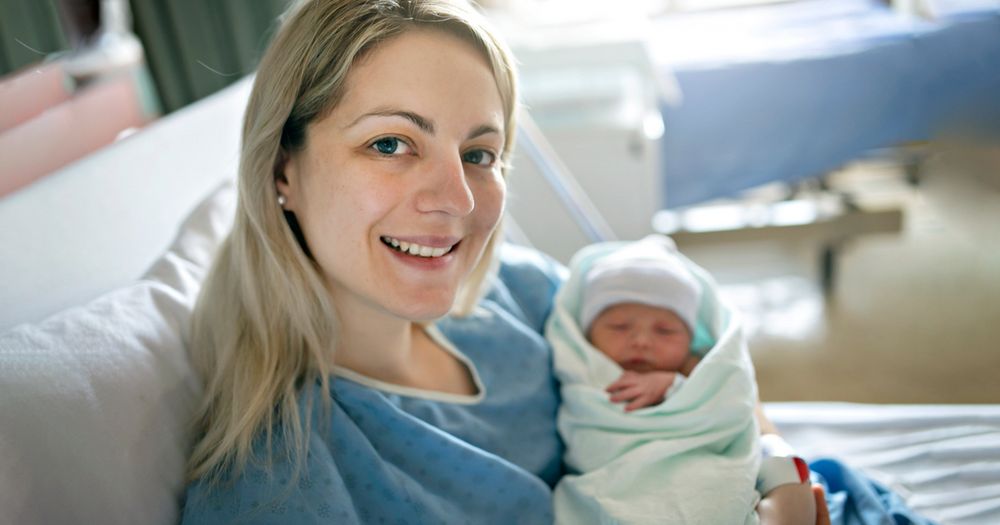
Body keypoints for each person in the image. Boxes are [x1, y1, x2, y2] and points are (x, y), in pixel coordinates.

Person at [178, 1, 909, 523]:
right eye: (391, 144)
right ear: (282, 169)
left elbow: (714, 358)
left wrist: (779, 477)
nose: (458, 199)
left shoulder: (521, 298)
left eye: (479, 153)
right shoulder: (284, 479)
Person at [546, 235, 767, 524]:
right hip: (606, 477)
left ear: (690, 339)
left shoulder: (701, 370)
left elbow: (725, 400)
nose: (641, 341)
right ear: (586, 335)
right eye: (619, 326)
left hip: (695, 469)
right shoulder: (578, 369)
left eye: (664, 331)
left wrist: (674, 385)